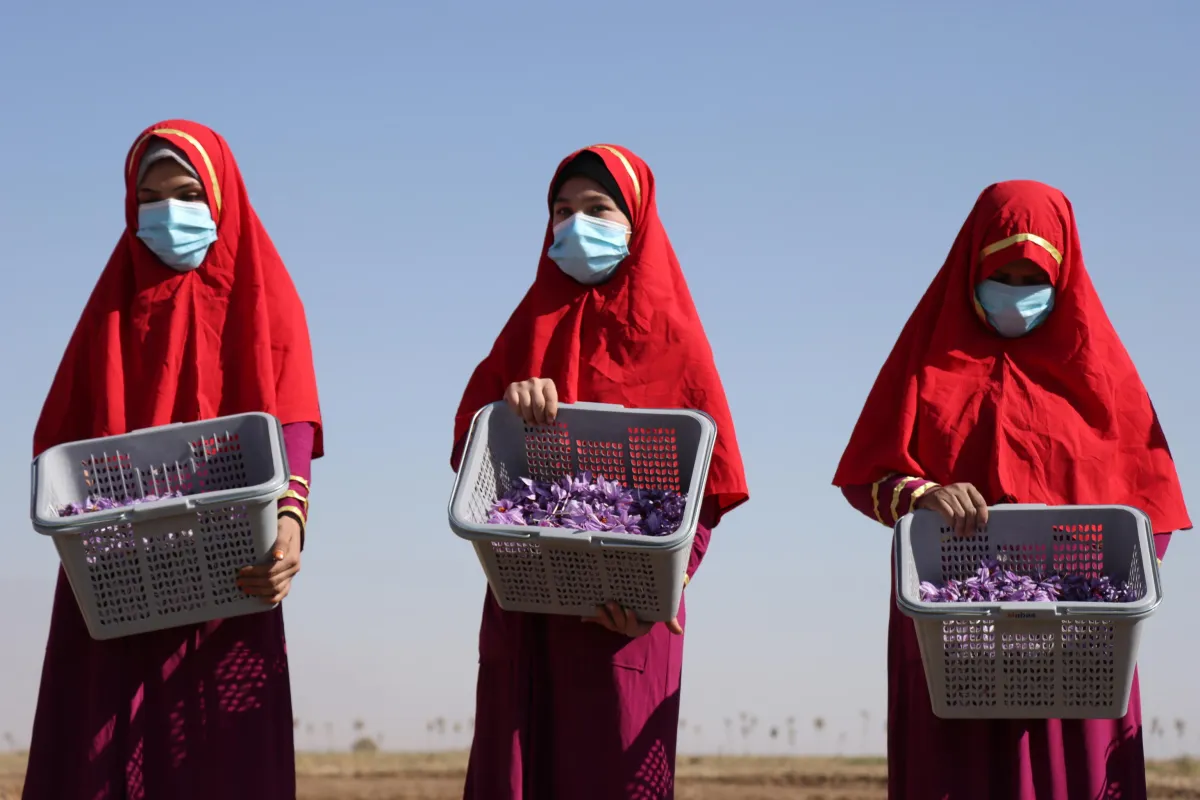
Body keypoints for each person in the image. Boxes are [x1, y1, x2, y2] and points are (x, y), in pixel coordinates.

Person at [832, 180, 1190, 799]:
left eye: (1034, 278)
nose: (1017, 295)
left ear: (1065, 273)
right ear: (971, 267)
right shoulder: (926, 360)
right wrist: (922, 494)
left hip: (1076, 651)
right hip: (955, 640)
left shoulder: (1105, 378)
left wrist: (1095, 596)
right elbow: (869, 476)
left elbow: (1149, 511)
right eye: (1003, 274)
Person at [22, 120, 323, 799]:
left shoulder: (266, 296)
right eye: (149, 199)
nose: (168, 214)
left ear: (220, 198)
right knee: (104, 756)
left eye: (187, 194)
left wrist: (291, 525)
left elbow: (293, 419)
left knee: (219, 758)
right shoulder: (112, 305)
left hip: (229, 572)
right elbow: (60, 444)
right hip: (119, 583)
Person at [452, 145, 749, 799]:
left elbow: (706, 485)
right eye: (562, 211)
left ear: (637, 223)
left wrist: (664, 590)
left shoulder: (674, 337)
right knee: (516, 773)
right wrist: (508, 407)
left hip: (625, 617)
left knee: (609, 774)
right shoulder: (529, 324)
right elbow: (471, 446)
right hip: (527, 600)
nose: (575, 225)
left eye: (598, 209)